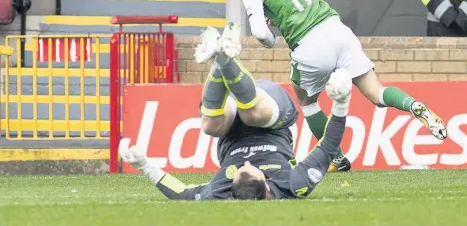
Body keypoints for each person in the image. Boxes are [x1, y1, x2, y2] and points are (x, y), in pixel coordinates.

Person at [218, 0, 448, 172]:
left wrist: (274, 35)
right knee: (377, 93)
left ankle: (337, 159)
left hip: (309, 44)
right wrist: (295, 6)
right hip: (337, 29)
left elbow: (262, 34)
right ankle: (414, 106)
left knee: (306, 101)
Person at [119, 22, 353, 200]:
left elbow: (182, 194)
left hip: (230, 126)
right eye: (251, 170)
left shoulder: (222, 189)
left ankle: (221, 58)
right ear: (267, 186)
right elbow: (328, 146)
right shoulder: (294, 184)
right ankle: (223, 59)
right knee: (252, 114)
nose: (246, 164)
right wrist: (341, 102)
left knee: (209, 126)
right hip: (272, 112)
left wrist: (144, 165)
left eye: (239, 170)